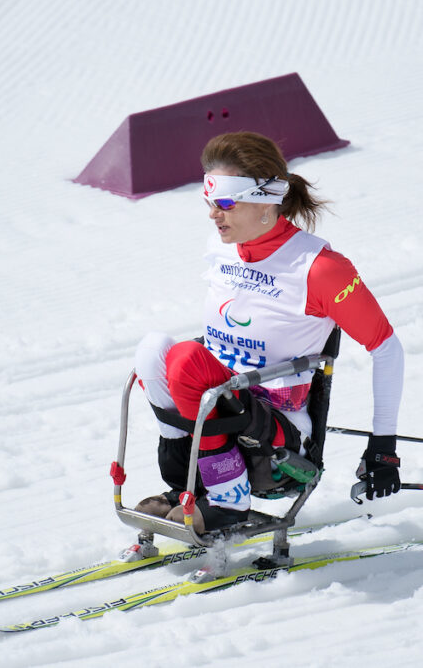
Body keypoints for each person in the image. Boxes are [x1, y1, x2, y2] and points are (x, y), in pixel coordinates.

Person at [131, 131, 403, 536]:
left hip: (276, 438)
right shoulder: (221, 246)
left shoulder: (321, 268)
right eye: (209, 203)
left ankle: (228, 498)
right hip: (222, 408)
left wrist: (383, 448)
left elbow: (387, 349)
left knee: (187, 360)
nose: (213, 215)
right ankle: (187, 482)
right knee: (153, 349)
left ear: (265, 201)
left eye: (224, 203)